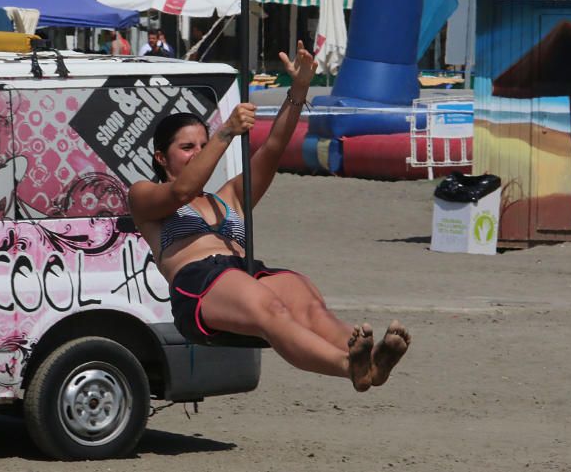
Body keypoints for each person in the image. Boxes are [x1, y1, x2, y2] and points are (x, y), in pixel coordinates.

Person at [128, 41, 410, 391]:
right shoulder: (144, 196)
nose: (199, 153)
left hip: (244, 271)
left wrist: (299, 88)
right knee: (270, 308)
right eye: (187, 148)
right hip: (199, 283)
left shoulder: (229, 196)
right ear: (160, 158)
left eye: (203, 145)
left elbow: (273, 149)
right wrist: (225, 133)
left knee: (307, 302)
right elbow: (181, 191)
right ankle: (346, 365)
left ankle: (369, 362)